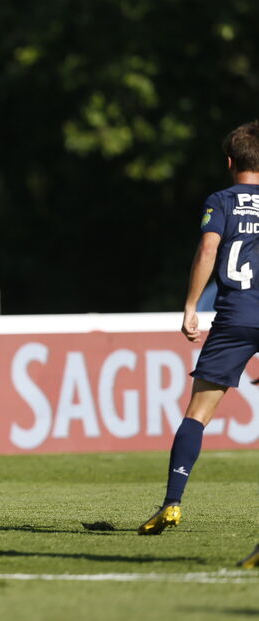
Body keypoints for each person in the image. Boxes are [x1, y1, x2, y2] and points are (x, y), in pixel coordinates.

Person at [138, 121, 259, 535]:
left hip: (235, 317)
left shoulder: (222, 201)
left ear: (229, 162)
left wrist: (191, 306)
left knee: (197, 415)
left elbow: (209, 247)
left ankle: (172, 503)